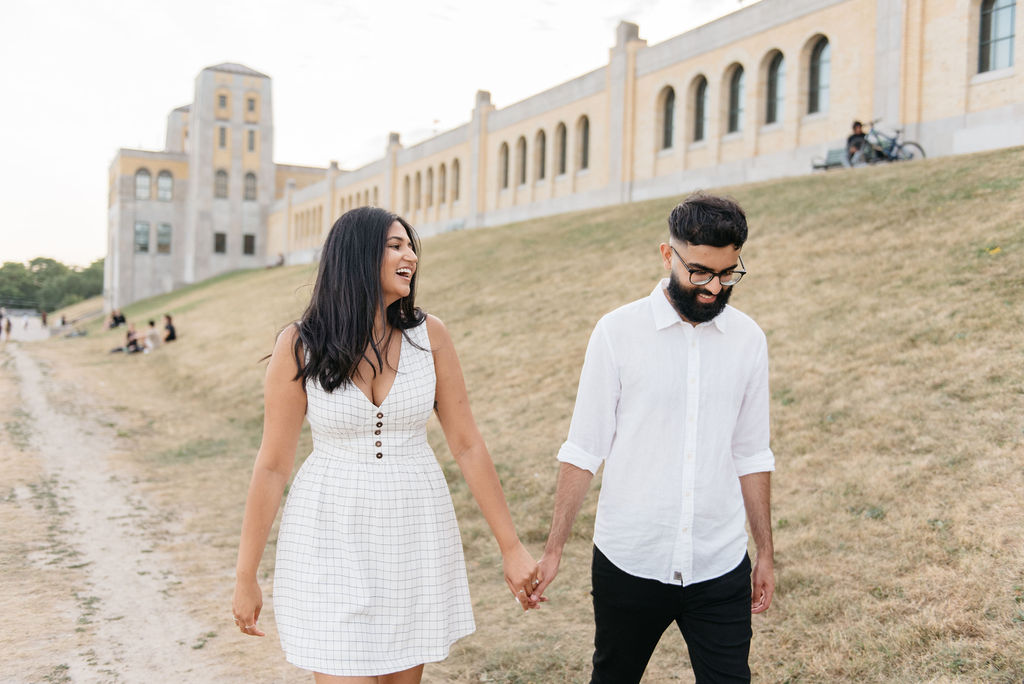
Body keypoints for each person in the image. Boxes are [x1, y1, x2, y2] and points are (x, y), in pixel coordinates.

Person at [232, 207, 539, 683]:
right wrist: (245, 574)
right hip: (329, 534)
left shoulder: (429, 335)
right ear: (357, 257)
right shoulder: (300, 344)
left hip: (412, 533)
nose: (410, 256)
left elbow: (467, 445)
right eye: (395, 246)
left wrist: (512, 546)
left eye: (410, 246)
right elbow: (272, 466)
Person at [530, 193, 775, 683]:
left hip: (719, 561)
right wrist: (554, 547)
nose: (713, 288)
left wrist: (765, 552)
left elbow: (750, 453)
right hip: (630, 560)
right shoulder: (617, 332)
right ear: (668, 255)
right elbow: (584, 448)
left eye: (728, 274)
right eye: (700, 272)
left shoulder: (749, 340)